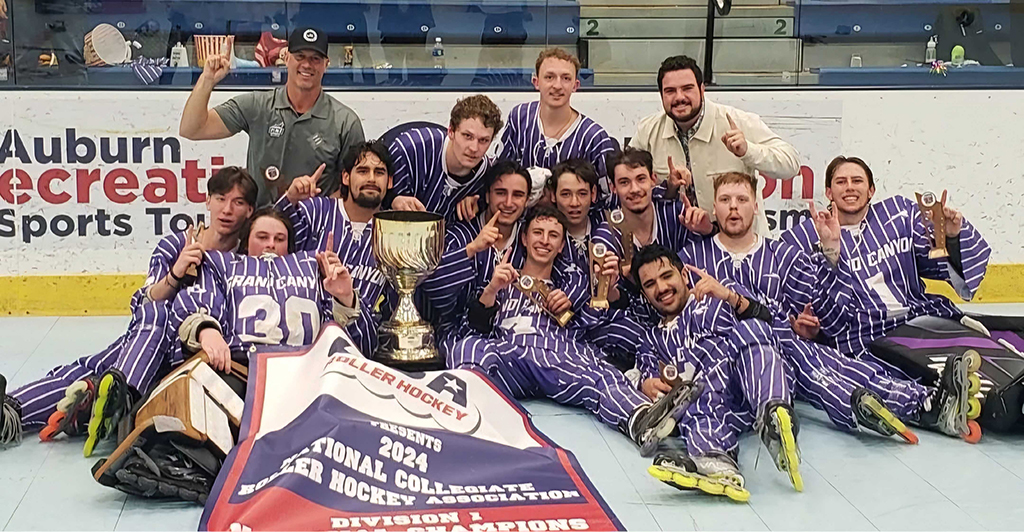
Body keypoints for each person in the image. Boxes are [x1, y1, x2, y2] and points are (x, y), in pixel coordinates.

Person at [682, 171, 982, 443]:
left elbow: (820, 317)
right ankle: (895, 403)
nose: (734, 207)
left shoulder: (784, 255)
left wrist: (808, 319)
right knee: (798, 357)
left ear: (756, 206)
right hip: (721, 360)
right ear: (714, 208)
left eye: (742, 199)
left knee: (821, 358)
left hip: (782, 354)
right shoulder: (691, 257)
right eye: (725, 200)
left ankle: (928, 403)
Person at [92, 207, 361, 501]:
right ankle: (174, 459)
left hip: (302, 377)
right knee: (192, 387)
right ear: (246, 243)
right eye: (262, 236)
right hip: (243, 369)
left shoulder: (316, 271)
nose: (271, 244)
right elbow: (197, 300)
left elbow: (348, 339)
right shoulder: (225, 265)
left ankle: (195, 468)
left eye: (279, 238)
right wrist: (206, 329)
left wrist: (344, 298)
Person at [0, 168, 257, 453]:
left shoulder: (247, 255)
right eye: (221, 199)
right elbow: (146, 301)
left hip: (189, 350)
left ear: (249, 211)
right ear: (208, 201)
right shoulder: (177, 243)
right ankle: (21, 409)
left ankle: (111, 393)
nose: (227, 209)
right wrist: (175, 273)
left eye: (238, 203)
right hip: (149, 344)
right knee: (94, 363)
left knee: (95, 369)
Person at [446, 207, 695, 457]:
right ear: (524, 238)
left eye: (553, 235)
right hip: (511, 358)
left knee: (598, 374)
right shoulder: (501, 277)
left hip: (558, 357)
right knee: (468, 347)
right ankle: (461, 418)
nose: (544, 240)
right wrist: (492, 289)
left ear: (562, 245)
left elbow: (593, 326)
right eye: (538, 233)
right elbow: (474, 327)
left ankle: (643, 420)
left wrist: (575, 304)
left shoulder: (572, 284)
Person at [630, 244, 801, 499]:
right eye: (650, 284)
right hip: (713, 407)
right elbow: (645, 375)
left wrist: (730, 297)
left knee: (751, 329)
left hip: (749, 382)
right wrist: (647, 383)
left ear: (684, 275)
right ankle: (717, 463)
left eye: (667, 276)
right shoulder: (652, 340)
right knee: (692, 394)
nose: (661, 288)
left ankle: (774, 415)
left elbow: (769, 321)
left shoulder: (717, 294)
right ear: (644, 294)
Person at [781, 156, 991, 359]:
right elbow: (803, 303)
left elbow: (938, 261)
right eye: (841, 182)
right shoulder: (803, 238)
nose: (850, 187)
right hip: (861, 337)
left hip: (919, 319)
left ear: (871, 190)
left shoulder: (899, 215)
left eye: (857, 181)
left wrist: (950, 236)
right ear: (828, 192)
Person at [179, 26, 365, 206]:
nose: (307, 64)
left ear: (326, 64)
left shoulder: (345, 122)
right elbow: (192, 129)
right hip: (260, 229)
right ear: (286, 57)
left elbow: (353, 186)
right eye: (300, 56)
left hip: (315, 231)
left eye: (315, 59)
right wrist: (208, 79)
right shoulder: (257, 105)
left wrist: (319, 210)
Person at [629, 55, 800, 235]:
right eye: (670, 91)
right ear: (661, 95)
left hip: (740, 247)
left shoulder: (738, 121)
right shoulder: (647, 131)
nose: (679, 97)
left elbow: (791, 164)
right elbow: (624, 184)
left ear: (702, 90)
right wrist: (667, 188)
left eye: (687, 89)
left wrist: (748, 151)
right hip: (676, 249)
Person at [276, 141, 394, 357]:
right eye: (362, 171)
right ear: (346, 177)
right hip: (301, 342)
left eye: (379, 172)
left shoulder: (394, 233)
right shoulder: (316, 211)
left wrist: (347, 300)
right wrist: (291, 198)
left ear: (390, 182)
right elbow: (269, 244)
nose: (371, 179)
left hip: (361, 348)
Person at [592, 147, 713, 326]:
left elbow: (703, 266)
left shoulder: (676, 215)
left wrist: (707, 231)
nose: (634, 189)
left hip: (693, 314)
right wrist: (610, 286)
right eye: (624, 182)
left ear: (653, 180)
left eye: (641, 179)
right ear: (613, 188)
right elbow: (610, 304)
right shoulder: (606, 238)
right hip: (639, 327)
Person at [492, 48, 618, 194]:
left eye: (566, 78)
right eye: (549, 77)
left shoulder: (594, 137)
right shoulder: (519, 117)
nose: (557, 86)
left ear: (575, 85)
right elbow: (499, 173)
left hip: (574, 217)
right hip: (523, 215)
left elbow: (609, 198)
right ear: (536, 82)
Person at [388, 94, 503, 221]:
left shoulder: (487, 176)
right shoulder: (410, 149)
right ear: (451, 131)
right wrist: (393, 200)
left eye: (483, 140)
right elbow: (372, 195)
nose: (474, 148)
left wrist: (479, 204)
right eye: (467, 136)